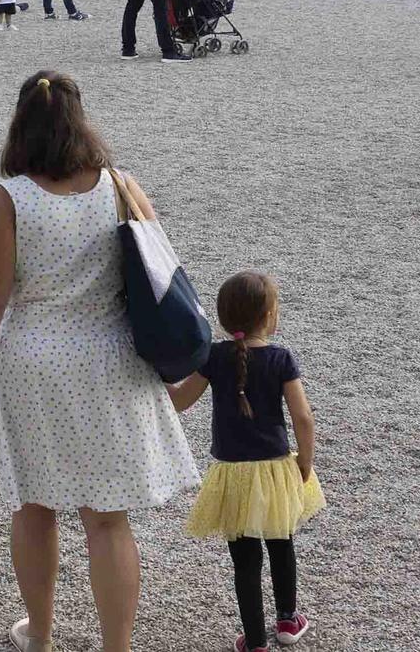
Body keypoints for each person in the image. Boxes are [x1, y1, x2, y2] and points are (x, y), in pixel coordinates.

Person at [0, 71, 199, 652]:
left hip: (34, 359)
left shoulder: (12, 198)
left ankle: (39, 632)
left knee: (35, 503)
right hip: (109, 356)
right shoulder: (121, 186)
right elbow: (156, 268)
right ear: (81, 122)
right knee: (108, 519)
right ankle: (117, 647)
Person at [170, 270, 325, 652]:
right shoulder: (280, 358)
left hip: (233, 473)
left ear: (223, 317)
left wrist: (150, 379)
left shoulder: (214, 357)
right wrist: (305, 462)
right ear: (270, 315)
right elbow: (303, 417)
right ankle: (288, 620)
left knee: (245, 560)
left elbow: (180, 401)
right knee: (281, 543)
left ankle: (255, 641)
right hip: (275, 471)